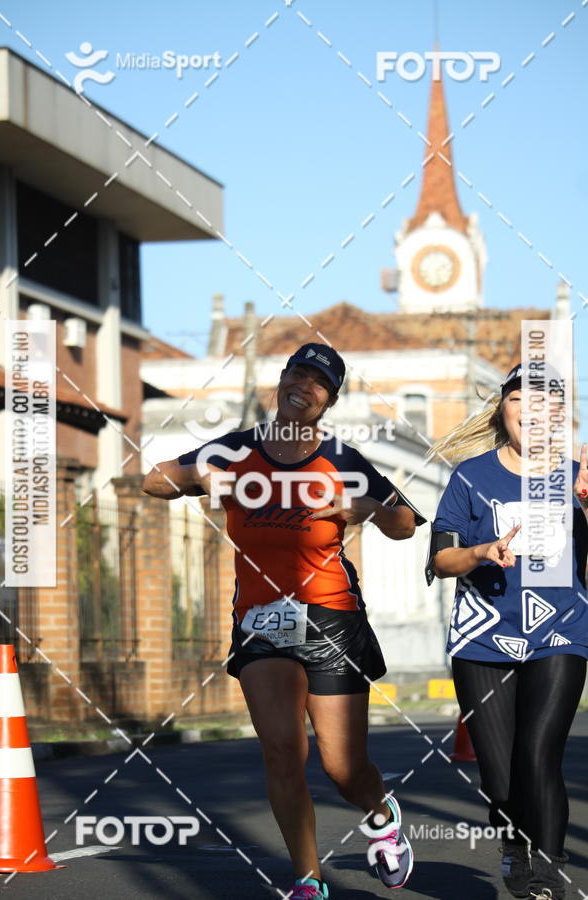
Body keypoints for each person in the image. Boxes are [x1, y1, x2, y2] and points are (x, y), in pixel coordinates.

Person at [143, 342, 426, 899]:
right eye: (298, 372)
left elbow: (406, 523)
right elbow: (153, 479)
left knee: (342, 768)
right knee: (281, 751)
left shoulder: (342, 459)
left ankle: (379, 810)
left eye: (320, 383)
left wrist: (365, 508)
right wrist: (200, 476)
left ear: (330, 401)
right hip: (260, 620)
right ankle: (307, 879)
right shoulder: (234, 449)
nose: (305, 386)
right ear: (281, 379)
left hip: (331, 619)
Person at [426, 363, 588, 900]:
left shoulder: (577, 480)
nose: (530, 409)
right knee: (499, 777)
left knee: (538, 754)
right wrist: (480, 551)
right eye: (519, 398)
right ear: (503, 409)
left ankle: (548, 874)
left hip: (560, 634)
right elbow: (440, 559)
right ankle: (514, 842)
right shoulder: (470, 477)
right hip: (482, 638)